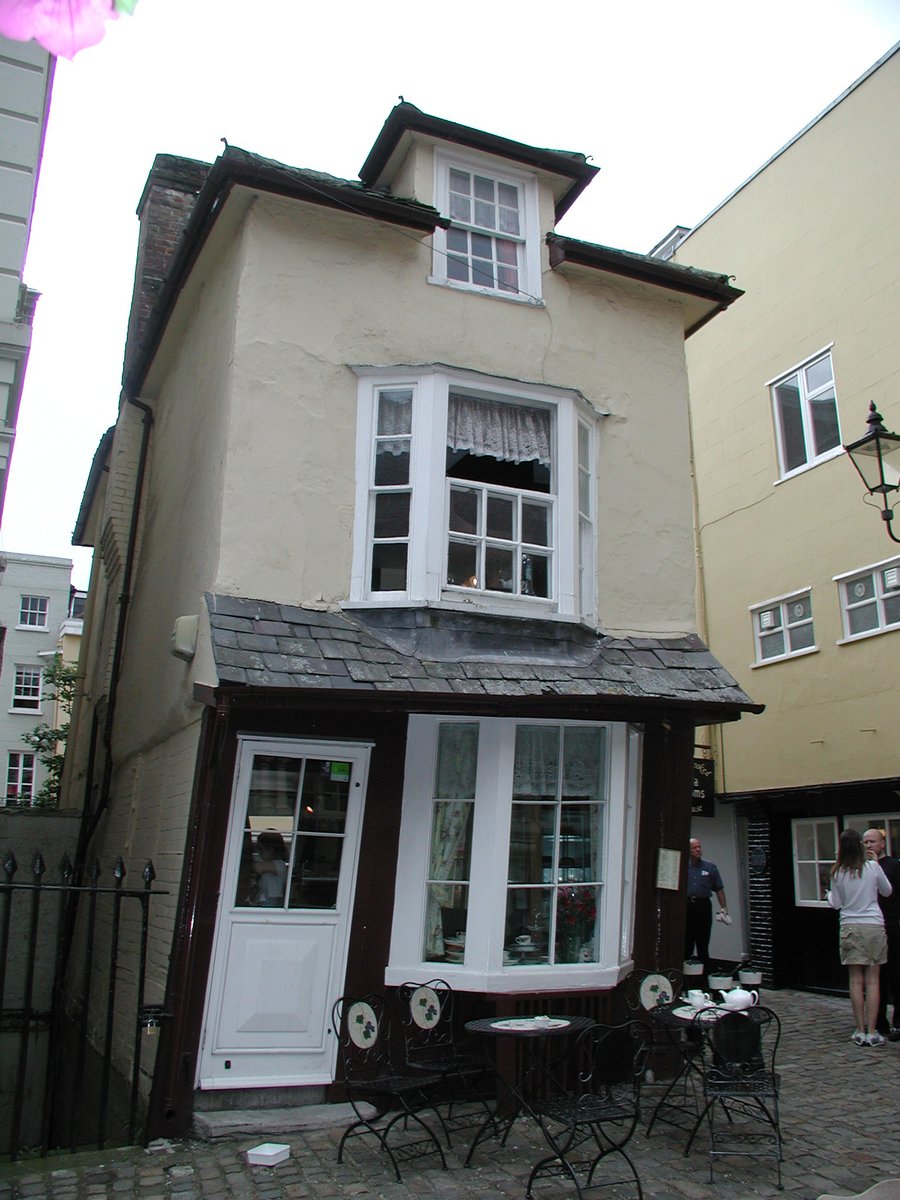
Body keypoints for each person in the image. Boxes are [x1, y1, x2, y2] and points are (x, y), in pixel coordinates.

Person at [827, 827, 892, 1047]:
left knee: (855, 980)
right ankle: (873, 1031)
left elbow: (835, 903)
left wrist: (828, 894)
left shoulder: (837, 871)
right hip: (873, 924)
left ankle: (859, 1030)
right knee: (873, 981)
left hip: (850, 925)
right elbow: (887, 891)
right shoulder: (872, 867)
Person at [862, 827, 900, 1039]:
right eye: (865, 842)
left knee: (896, 974)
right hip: (871, 927)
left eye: (872, 842)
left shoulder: (893, 866)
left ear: (882, 844)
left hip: (891, 925)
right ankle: (879, 1021)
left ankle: (899, 1022)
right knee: (877, 977)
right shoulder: (863, 868)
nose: (869, 846)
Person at [684, 838, 728, 970]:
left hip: (703, 906)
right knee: (687, 942)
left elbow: (719, 889)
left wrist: (723, 909)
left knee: (703, 942)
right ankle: (686, 977)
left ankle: (704, 977)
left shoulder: (709, 867)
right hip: (687, 906)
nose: (698, 850)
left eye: (699, 847)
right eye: (694, 847)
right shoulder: (682, 867)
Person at [253, 831, 287, 907]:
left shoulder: (279, 864)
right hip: (261, 904)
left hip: (268, 906)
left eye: (260, 848)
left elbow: (257, 867)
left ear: (271, 849)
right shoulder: (272, 864)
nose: (258, 852)